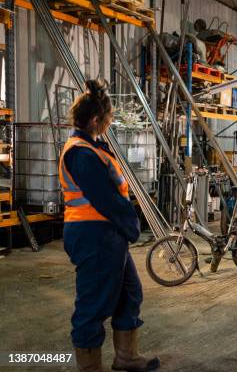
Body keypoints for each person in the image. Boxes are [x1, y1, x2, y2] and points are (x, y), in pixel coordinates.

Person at [59, 80, 159, 372]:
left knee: (130, 292)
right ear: (94, 120)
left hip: (107, 234)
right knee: (93, 305)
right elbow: (106, 199)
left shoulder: (93, 147)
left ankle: (125, 357)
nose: (110, 122)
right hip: (94, 235)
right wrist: (131, 225)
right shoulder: (81, 153)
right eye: (108, 118)